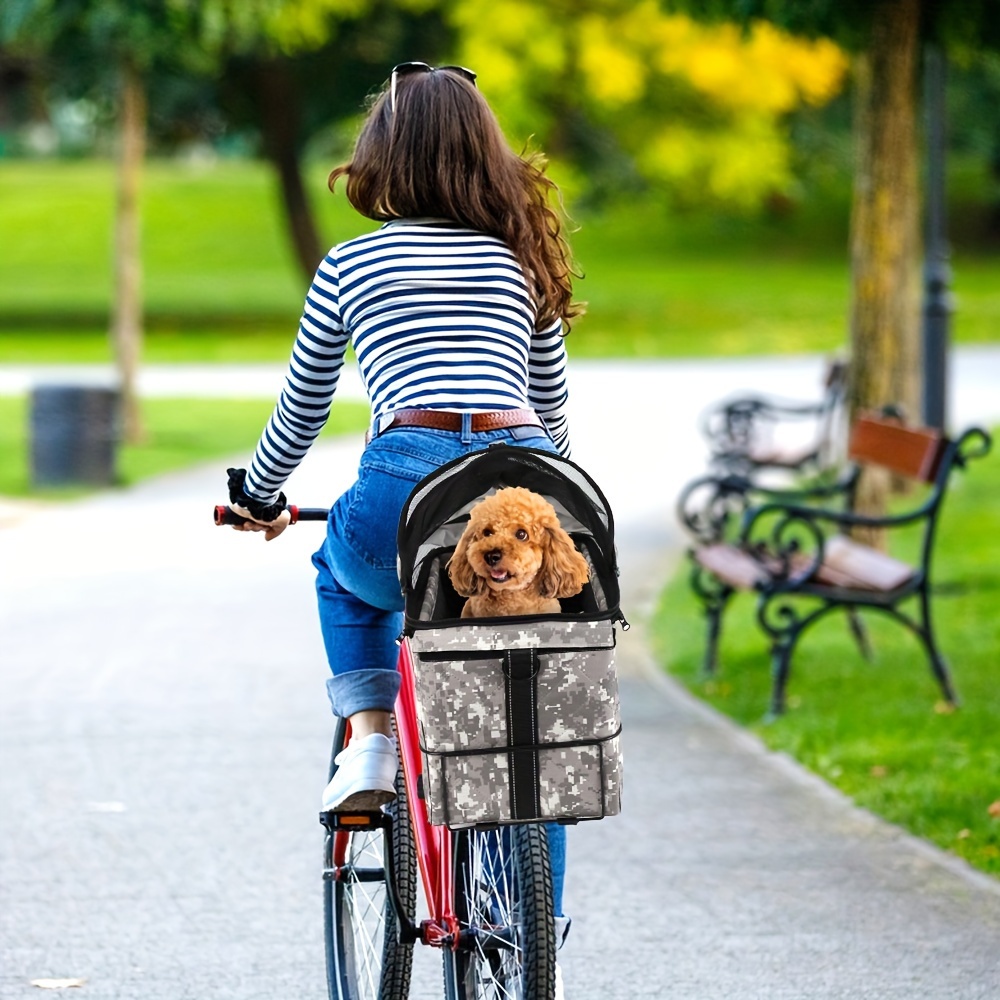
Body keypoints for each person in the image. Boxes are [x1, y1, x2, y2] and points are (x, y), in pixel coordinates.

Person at [225, 61, 580, 960]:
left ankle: (375, 739)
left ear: (383, 151)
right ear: (484, 154)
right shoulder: (520, 256)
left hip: (404, 487)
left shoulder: (350, 261)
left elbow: (302, 410)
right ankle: (543, 942)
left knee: (342, 578)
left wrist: (260, 496)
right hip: (521, 472)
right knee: (530, 738)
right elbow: (554, 415)